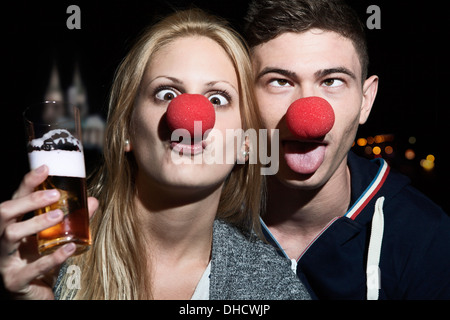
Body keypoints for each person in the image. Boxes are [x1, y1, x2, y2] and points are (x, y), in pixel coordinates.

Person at [0, 8, 310, 300]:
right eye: (166, 94)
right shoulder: (52, 257)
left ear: (246, 144)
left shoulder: (271, 286)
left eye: (217, 98)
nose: (189, 115)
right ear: (125, 131)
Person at [243, 0, 450, 299]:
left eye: (332, 81)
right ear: (244, 98)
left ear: (365, 100)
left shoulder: (428, 237)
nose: (308, 119)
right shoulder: (197, 216)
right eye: (279, 81)